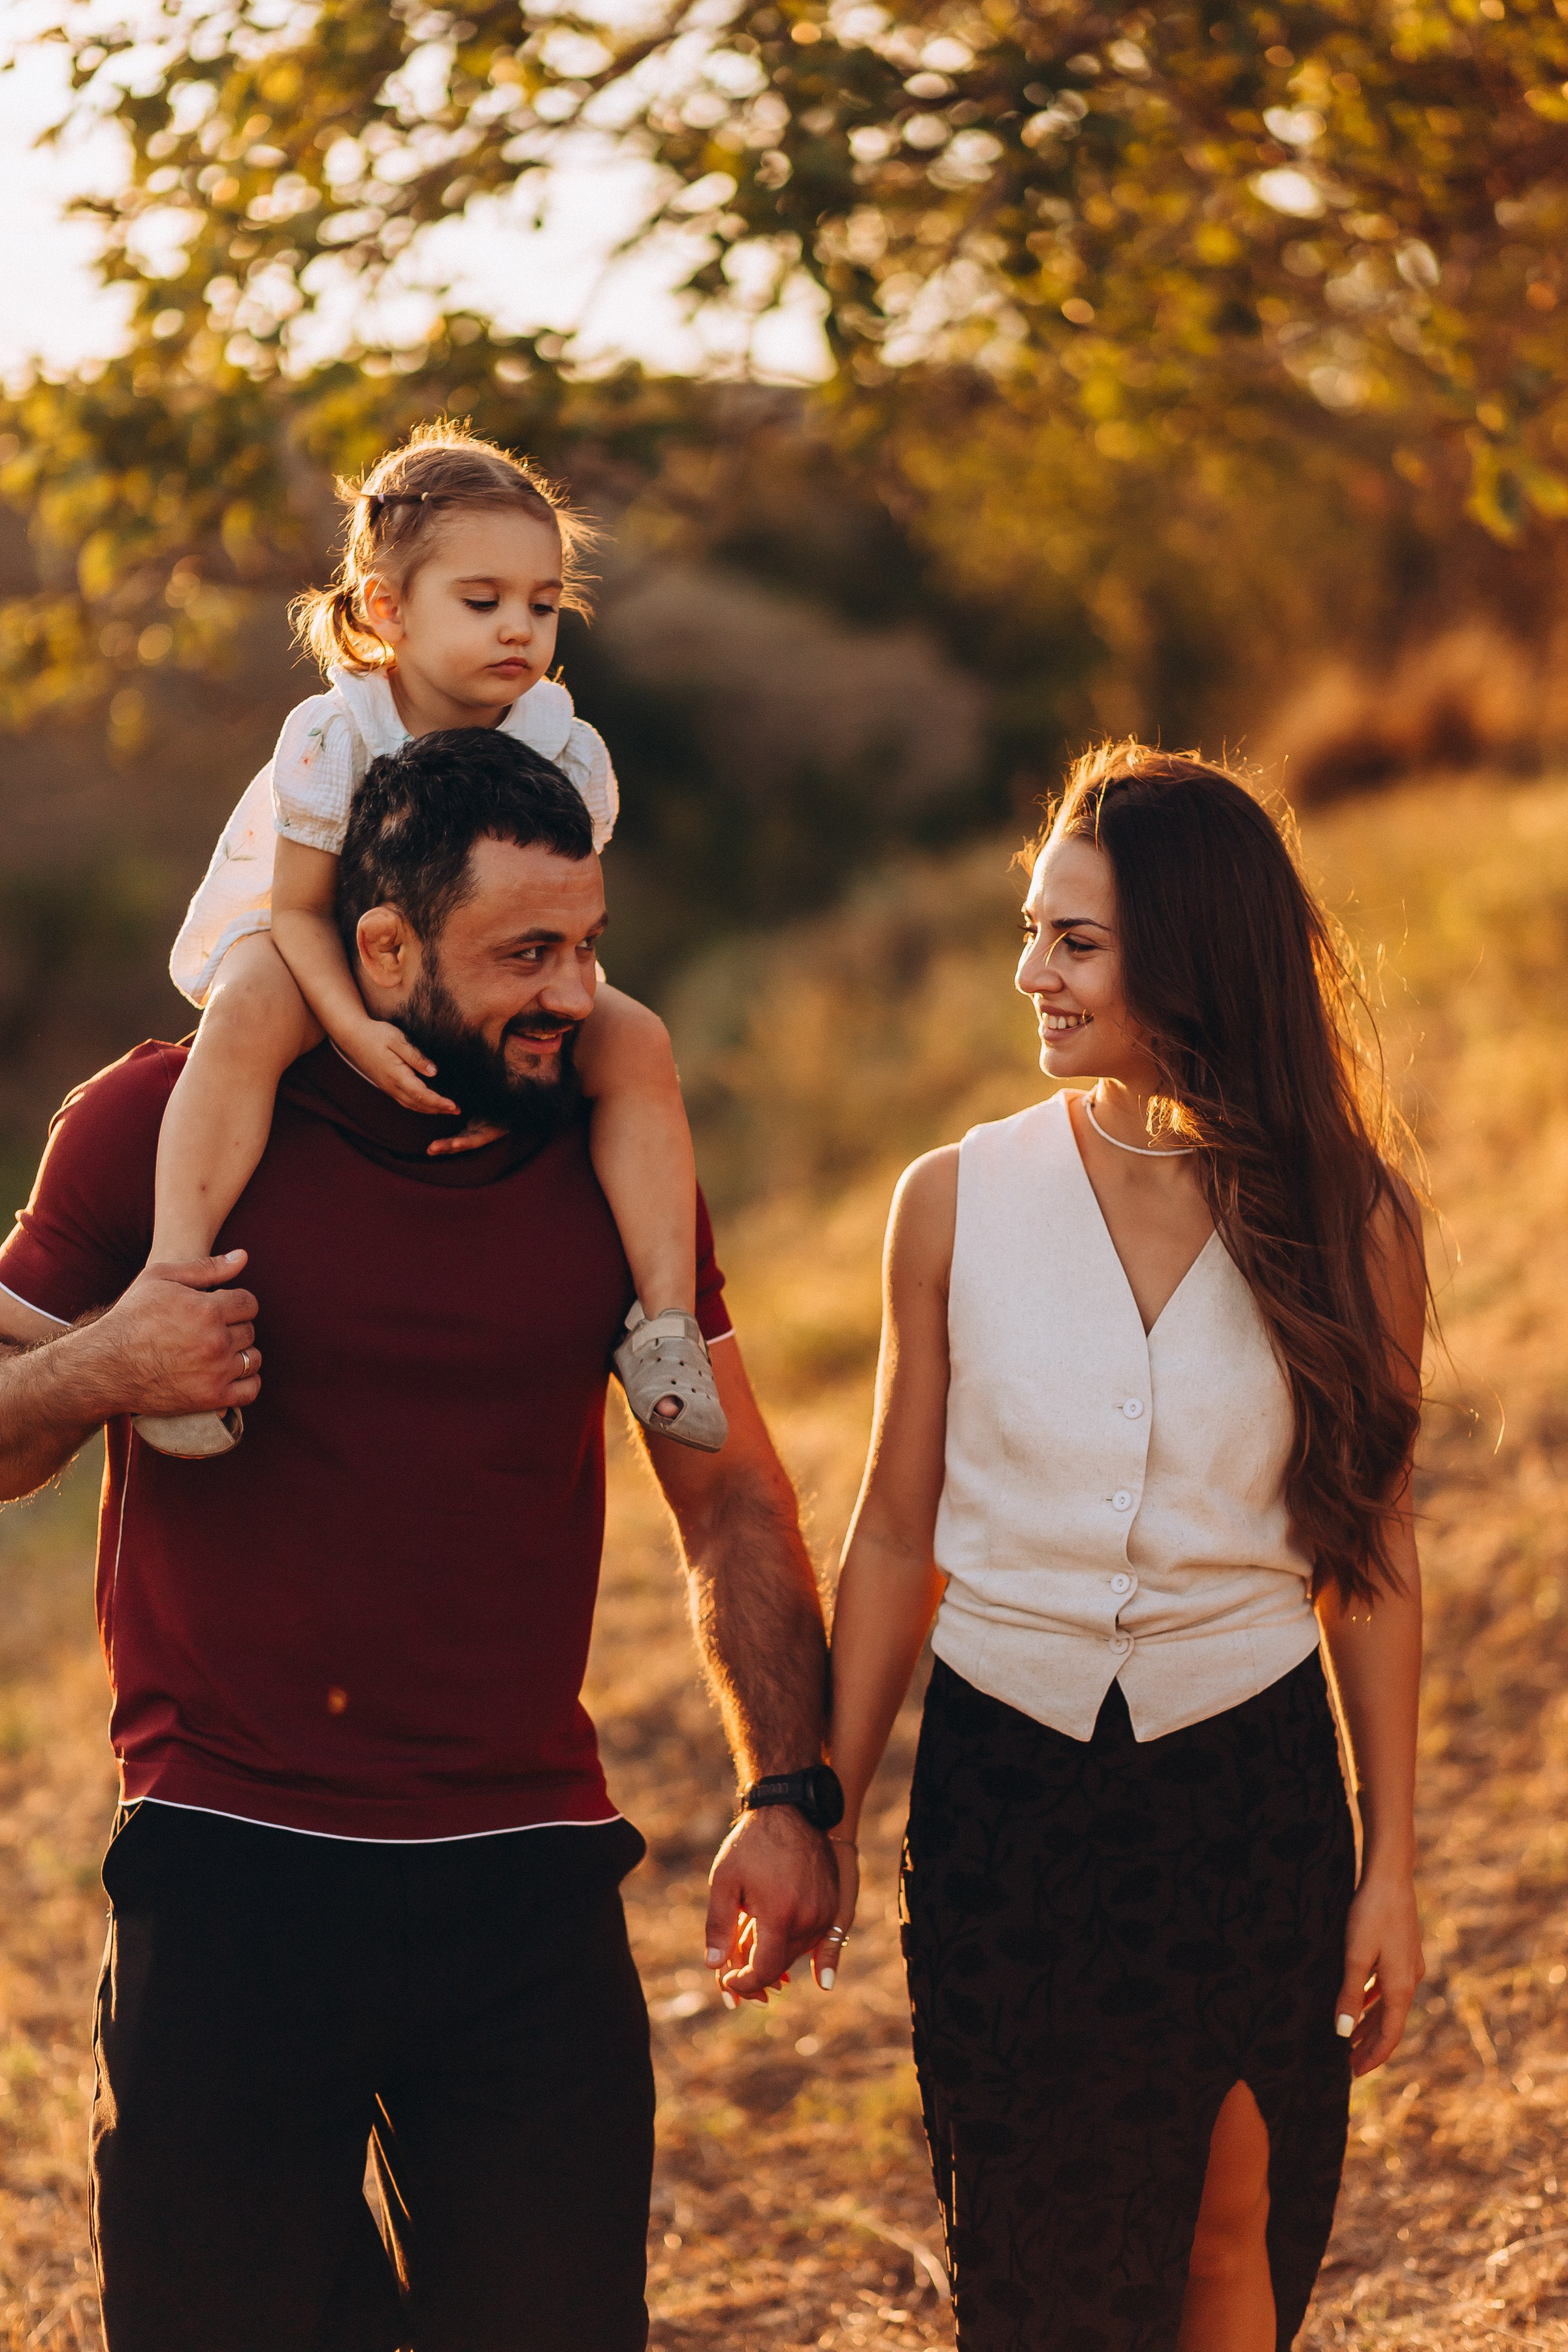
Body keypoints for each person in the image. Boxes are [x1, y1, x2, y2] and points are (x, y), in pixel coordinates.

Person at [0, 730, 839, 2352]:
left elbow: (729, 1493)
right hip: (230, 1866)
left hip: (523, 1882)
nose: (575, 996)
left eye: (590, 946)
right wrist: (117, 1364)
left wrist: (789, 1789)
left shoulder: (610, 1148)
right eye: (526, 954)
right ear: (381, 950)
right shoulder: (165, 1127)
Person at [821, 743, 1427, 2351]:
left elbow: (1368, 1554)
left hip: (1249, 1794)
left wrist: (1394, 1863)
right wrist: (813, 1801)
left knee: (1238, 2234)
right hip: (1003, 1801)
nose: (1032, 973)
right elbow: (893, 1535)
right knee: (1031, 2268)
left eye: (1073, 942)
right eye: (1034, 932)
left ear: (1191, 953)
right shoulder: (952, 1200)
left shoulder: (1350, 1219)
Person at [139, 418, 722, 1460]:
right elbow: (300, 910)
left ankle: (668, 1328)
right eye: (484, 601)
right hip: (306, 936)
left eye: (544, 607)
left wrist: (526, 1070)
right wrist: (355, 1036)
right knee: (253, 1009)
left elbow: (555, 929)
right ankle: (175, 1290)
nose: (520, 631)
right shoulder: (337, 730)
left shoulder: (562, 747)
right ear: (387, 608)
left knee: (637, 1042)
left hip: (456, 972)